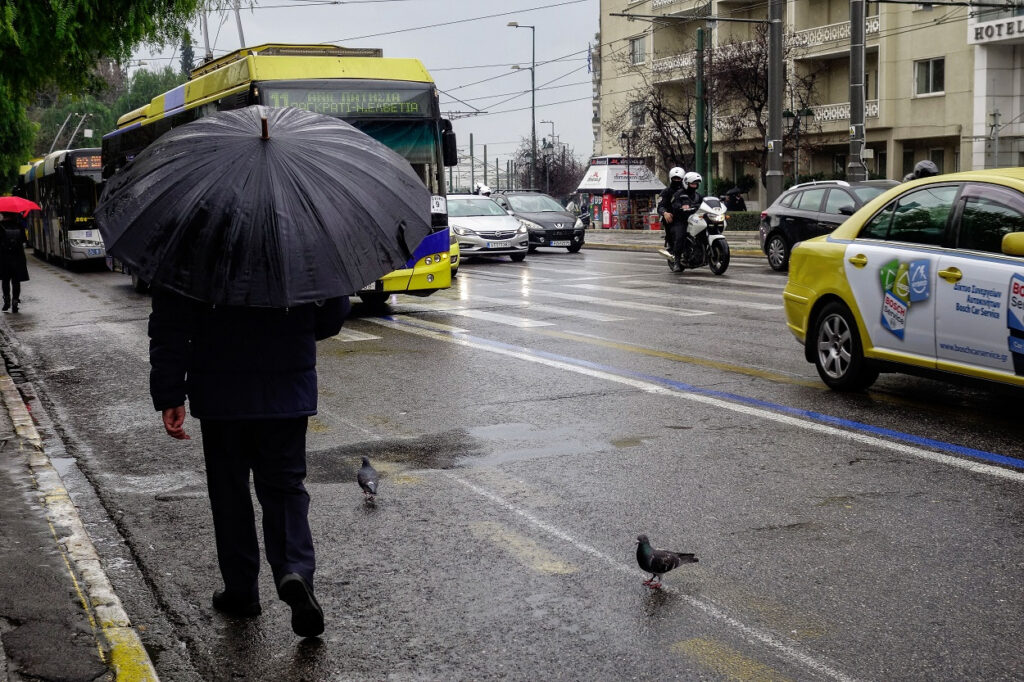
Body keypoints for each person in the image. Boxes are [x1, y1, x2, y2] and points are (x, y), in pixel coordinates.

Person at [148, 288, 349, 638]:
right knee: (285, 487)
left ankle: (241, 591)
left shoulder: (195, 243)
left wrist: (169, 393)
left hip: (219, 389)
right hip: (286, 386)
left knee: (229, 493)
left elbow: (170, 321)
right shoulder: (298, 243)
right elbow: (331, 316)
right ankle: (294, 569)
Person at [669, 171, 704, 272]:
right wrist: (680, 207)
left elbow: (704, 204)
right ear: (686, 183)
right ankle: (677, 261)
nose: (694, 185)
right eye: (692, 183)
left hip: (695, 220)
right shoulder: (678, 194)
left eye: (696, 184)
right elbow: (674, 205)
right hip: (682, 220)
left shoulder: (698, 196)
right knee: (681, 236)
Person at [0, 212, 29, 313]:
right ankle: (15, 302)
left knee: (5, 280)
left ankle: (6, 300)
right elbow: (24, 240)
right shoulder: (19, 225)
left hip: (4, 258)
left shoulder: (1, 226)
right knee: (16, 281)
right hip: (18, 258)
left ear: (3, 215)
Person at [658, 166, 686, 249]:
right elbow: (660, 206)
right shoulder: (666, 192)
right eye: (675, 179)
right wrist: (665, 213)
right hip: (672, 217)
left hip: (686, 216)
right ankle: (673, 249)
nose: (677, 181)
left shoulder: (688, 191)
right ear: (671, 178)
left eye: (679, 179)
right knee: (675, 235)